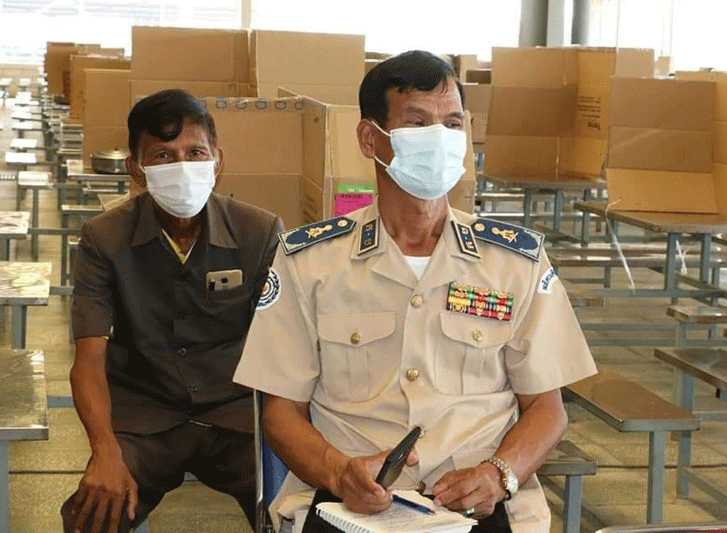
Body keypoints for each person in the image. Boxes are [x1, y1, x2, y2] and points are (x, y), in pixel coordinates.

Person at [234, 51, 597, 533]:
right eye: (418, 123)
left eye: (452, 123)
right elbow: (281, 411)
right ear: (370, 139)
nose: (439, 138)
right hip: (347, 502)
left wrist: (499, 474)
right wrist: (339, 472)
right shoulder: (309, 263)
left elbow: (547, 408)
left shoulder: (515, 263)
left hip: (482, 505)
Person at [62, 89, 283, 533]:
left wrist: (288, 441)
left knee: (294, 511)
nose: (182, 167)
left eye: (195, 152)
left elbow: (284, 350)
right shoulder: (104, 239)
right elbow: (88, 360)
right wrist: (105, 451)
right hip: (146, 417)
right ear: (136, 170)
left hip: (237, 416)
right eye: (163, 156)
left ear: (217, 161)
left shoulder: (258, 232)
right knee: (91, 517)